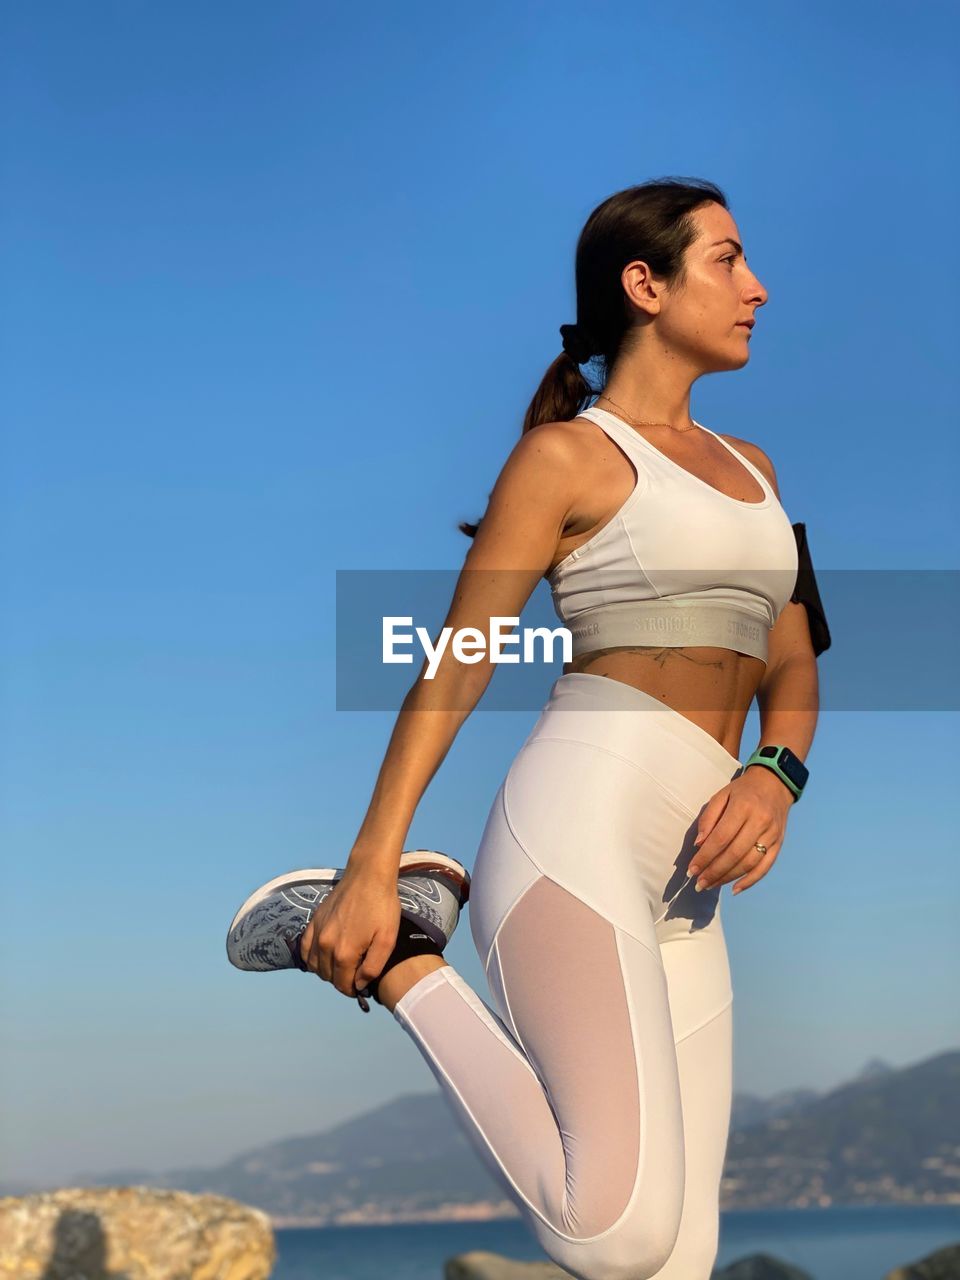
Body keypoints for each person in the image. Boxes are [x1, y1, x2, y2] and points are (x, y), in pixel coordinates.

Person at [226, 177, 823, 1280]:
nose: (759, 287)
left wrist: (777, 772)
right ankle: (406, 955)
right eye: (729, 260)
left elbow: (795, 660)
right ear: (644, 284)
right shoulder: (564, 459)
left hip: (691, 873)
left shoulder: (759, 473)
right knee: (618, 1231)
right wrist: (368, 861)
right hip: (582, 818)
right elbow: (459, 660)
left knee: (680, 1263)